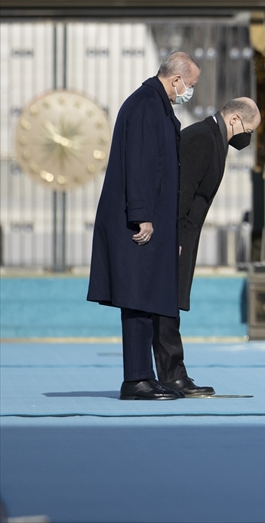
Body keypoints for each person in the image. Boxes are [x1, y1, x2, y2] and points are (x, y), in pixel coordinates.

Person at [87, 52, 200, 400]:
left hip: (150, 219)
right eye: (191, 85)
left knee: (145, 297)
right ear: (176, 79)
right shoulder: (145, 105)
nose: (190, 92)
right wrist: (142, 215)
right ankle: (136, 379)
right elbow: (137, 163)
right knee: (136, 297)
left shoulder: (155, 104)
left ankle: (143, 376)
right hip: (137, 222)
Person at [153, 97, 261, 397]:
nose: (248, 137)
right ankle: (173, 375)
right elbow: (181, 191)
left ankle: (170, 373)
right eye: (249, 130)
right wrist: (172, 238)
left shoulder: (212, 137)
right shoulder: (202, 138)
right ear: (236, 120)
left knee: (168, 304)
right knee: (166, 305)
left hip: (183, 234)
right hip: (176, 235)